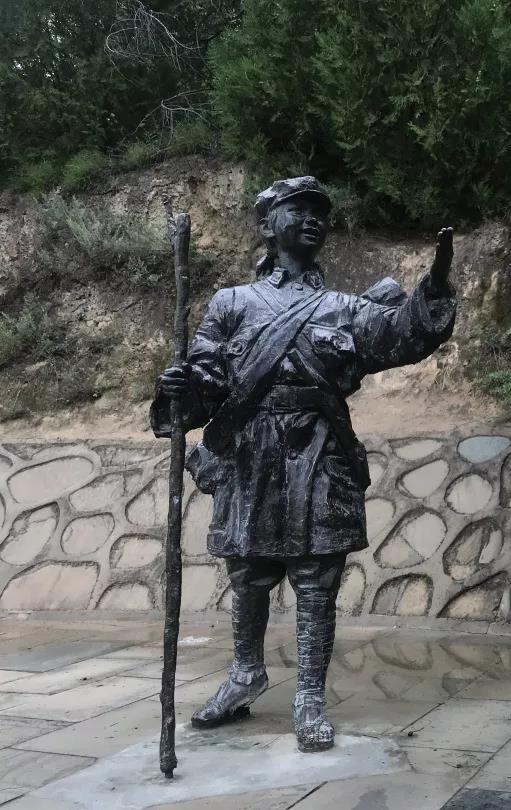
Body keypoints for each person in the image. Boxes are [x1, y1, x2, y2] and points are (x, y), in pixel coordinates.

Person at [152, 176, 456, 752]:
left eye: (320, 211)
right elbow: (206, 377)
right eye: (299, 209)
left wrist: (433, 287)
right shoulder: (232, 303)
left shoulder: (344, 308)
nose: (313, 218)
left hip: (319, 447)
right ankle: (246, 672)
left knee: (317, 574)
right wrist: (182, 387)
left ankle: (310, 695)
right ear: (268, 224)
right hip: (249, 450)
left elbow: (398, 335)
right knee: (248, 570)